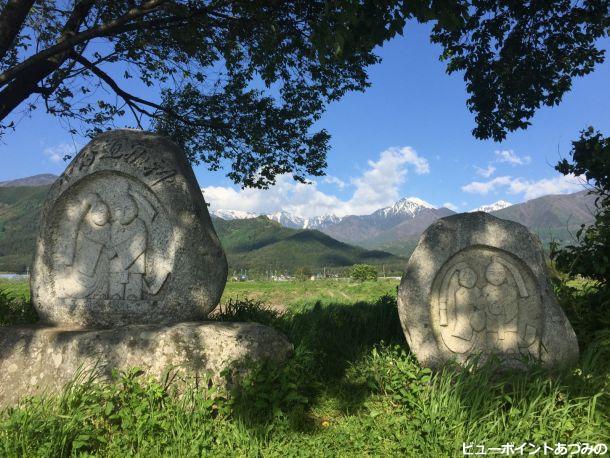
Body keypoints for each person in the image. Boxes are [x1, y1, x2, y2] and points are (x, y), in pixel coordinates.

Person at [64, 194, 111, 298]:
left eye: (104, 212)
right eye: (98, 212)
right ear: (91, 213)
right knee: (80, 275)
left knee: (101, 279)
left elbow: (109, 245)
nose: (101, 215)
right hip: (84, 262)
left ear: (108, 215)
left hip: (101, 263)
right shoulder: (85, 227)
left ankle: (100, 294)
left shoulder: (108, 228)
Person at [108, 194, 148, 300]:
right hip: (117, 261)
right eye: (119, 209)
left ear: (135, 210)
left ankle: (133, 294)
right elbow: (112, 241)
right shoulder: (115, 226)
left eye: (127, 208)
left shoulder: (139, 224)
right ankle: (115, 294)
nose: (123, 212)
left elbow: (141, 243)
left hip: (135, 259)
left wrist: (125, 256)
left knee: (134, 277)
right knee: (116, 276)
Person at [482, 260, 518, 351]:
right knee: (491, 334)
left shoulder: (508, 288)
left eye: (500, 273)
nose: (496, 277)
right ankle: (491, 349)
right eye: (492, 273)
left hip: (508, 320)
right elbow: (483, 302)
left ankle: (511, 348)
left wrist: (504, 301)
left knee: (510, 333)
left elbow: (513, 295)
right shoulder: (486, 289)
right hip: (492, 320)